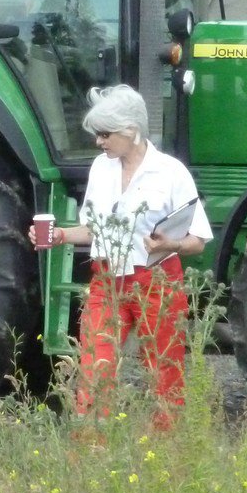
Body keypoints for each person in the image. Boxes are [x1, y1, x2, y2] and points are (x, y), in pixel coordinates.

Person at [28, 85, 211, 424]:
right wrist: (61, 236)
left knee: (164, 370)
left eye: (104, 134)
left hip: (156, 279)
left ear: (131, 130)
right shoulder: (101, 167)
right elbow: (93, 228)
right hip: (107, 280)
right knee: (95, 366)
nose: (99, 141)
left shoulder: (172, 172)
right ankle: (91, 449)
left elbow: (198, 240)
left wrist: (170, 245)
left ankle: (167, 453)